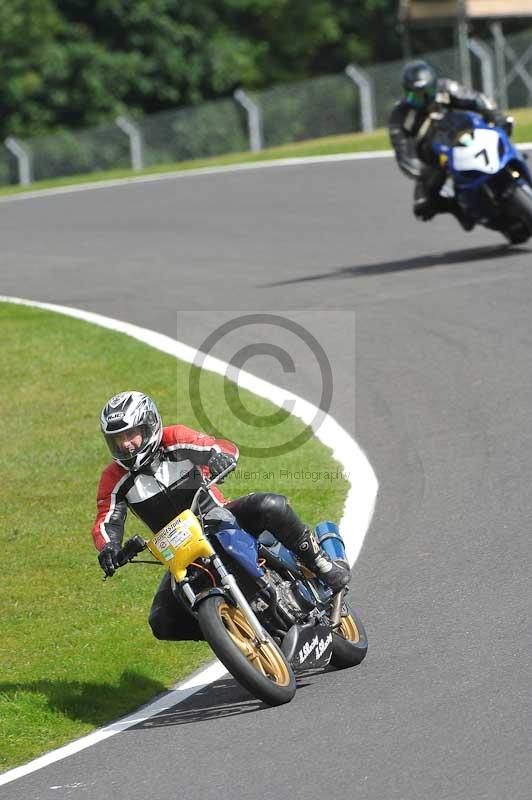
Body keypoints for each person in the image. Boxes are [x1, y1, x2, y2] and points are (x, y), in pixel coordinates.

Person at [92, 391, 350, 641]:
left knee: (270, 505)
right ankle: (235, 634)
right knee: (162, 622)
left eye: (131, 434)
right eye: (117, 439)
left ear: (149, 426)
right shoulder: (113, 478)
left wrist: (219, 456)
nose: (126, 444)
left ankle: (321, 565)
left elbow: (217, 445)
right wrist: (109, 548)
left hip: (219, 516)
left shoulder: (175, 438)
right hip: (180, 549)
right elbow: (107, 517)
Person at [389, 59, 513, 230]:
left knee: (502, 133)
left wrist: (497, 117)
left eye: (426, 92)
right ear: (406, 92)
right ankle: (461, 210)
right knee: (423, 206)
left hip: (469, 138)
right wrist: (422, 172)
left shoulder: (446, 88)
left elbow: (477, 100)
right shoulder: (400, 115)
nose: (423, 99)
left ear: (433, 85)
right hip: (437, 161)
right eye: (415, 96)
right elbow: (403, 153)